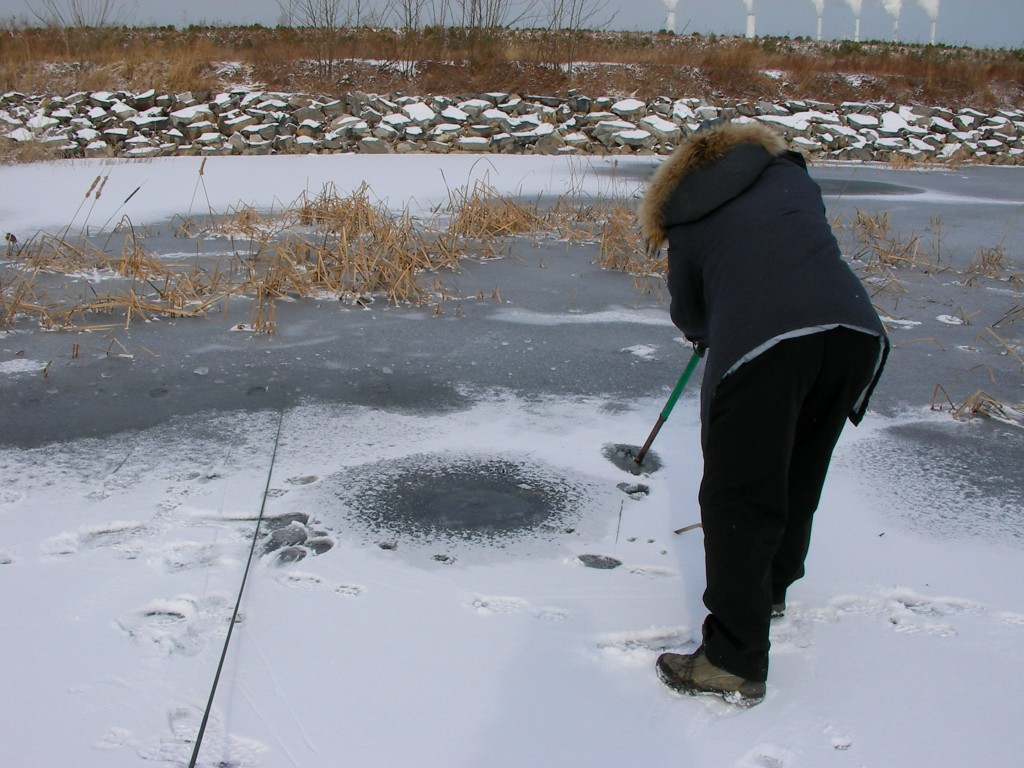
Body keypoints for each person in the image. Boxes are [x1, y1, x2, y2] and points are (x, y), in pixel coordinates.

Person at [638, 119, 889, 706]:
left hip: (766, 343)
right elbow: (792, 248)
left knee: (738, 496)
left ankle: (733, 658)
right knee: (797, 469)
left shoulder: (685, 210)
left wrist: (707, 332)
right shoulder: (788, 176)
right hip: (853, 332)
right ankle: (770, 589)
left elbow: (690, 309)